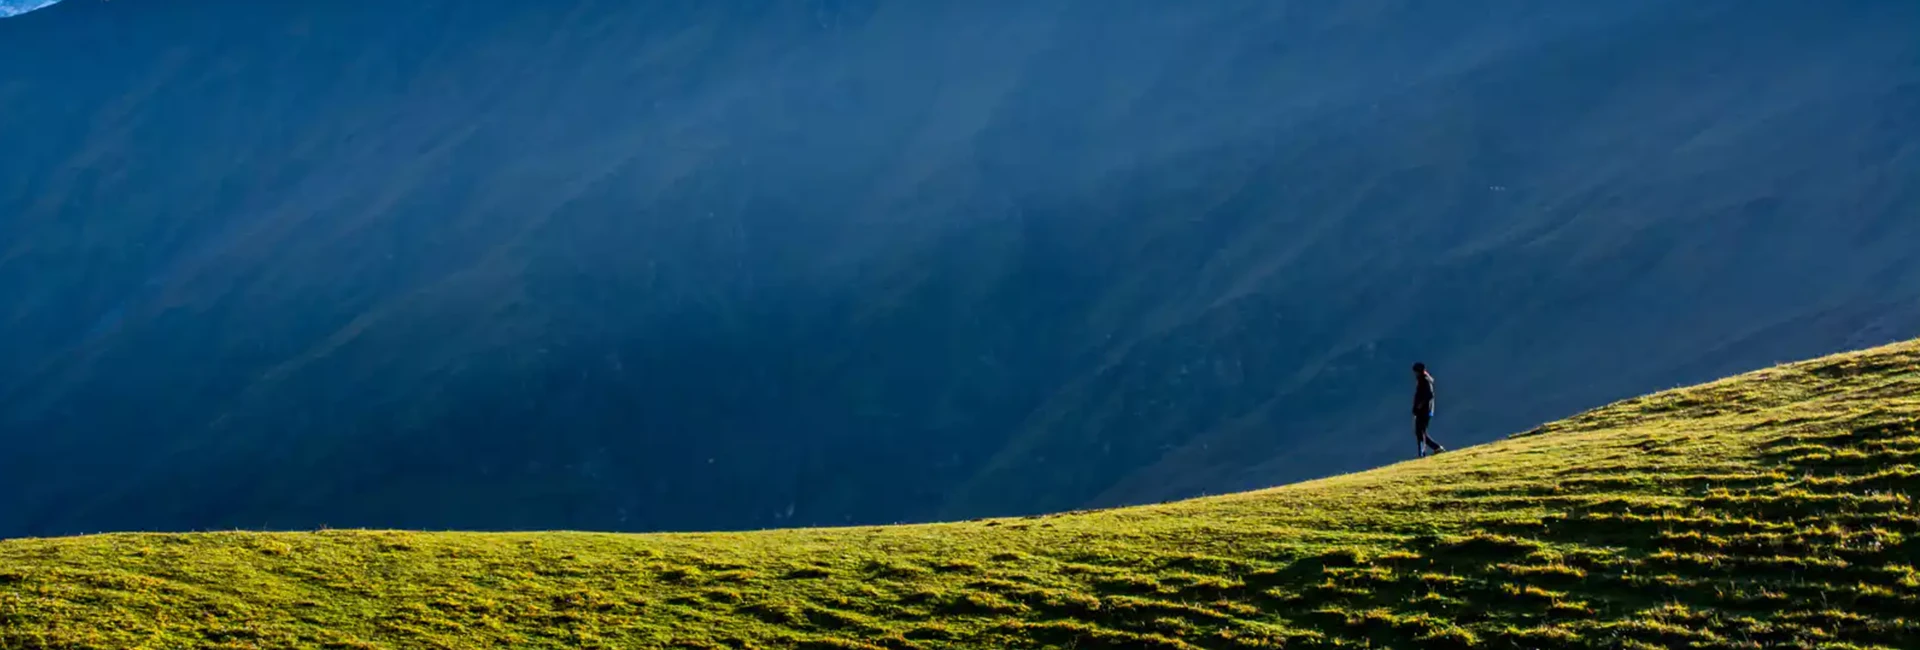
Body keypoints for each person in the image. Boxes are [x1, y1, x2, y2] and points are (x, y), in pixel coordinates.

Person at [1412, 362, 1446, 457]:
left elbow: (1429, 395)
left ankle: (1425, 452)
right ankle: (1433, 449)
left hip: (1424, 411)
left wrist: (1419, 406)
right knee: (1420, 432)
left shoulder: (1424, 381)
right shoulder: (1423, 380)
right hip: (1424, 410)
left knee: (1420, 432)